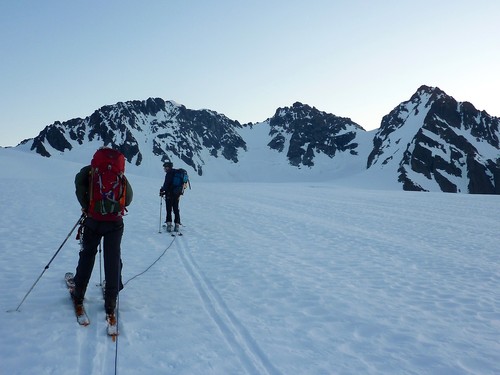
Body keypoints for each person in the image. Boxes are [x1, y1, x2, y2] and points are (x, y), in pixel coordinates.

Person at [72, 148, 133, 323]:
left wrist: (86, 206)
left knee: (87, 255)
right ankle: (111, 301)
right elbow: (128, 198)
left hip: (93, 220)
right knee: (112, 258)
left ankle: (79, 294)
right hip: (115, 223)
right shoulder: (119, 174)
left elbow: (78, 185)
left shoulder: (90, 171)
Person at [160, 161, 182, 232]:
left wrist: (162, 190)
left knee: (169, 209)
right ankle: (177, 225)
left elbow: (166, 185)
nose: (164, 169)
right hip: (177, 194)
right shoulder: (177, 172)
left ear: (168, 167)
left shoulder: (169, 174)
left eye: (165, 167)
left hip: (169, 194)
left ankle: (169, 225)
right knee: (176, 209)